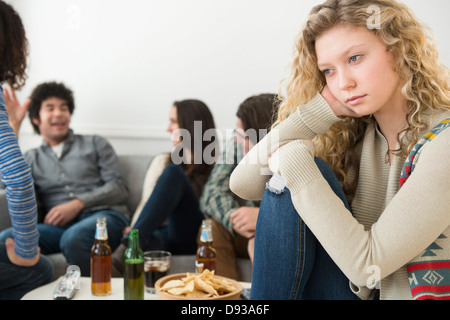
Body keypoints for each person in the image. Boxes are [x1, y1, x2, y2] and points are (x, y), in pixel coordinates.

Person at [230, 0, 450, 300]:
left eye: (355, 58)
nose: (344, 82)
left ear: (399, 50)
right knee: (291, 186)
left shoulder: (444, 143)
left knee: (304, 168)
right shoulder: (359, 135)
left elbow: (369, 266)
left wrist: (294, 160)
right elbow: (243, 183)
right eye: (329, 71)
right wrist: (320, 109)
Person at [0, 81, 130, 276]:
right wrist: (14, 126)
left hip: (103, 217)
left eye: (64, 108)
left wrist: (77, 204)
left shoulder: (95, 143)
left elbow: (119, 188)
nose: (59, 113)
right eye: (50, 108)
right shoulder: (31, 157)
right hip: (57, 229)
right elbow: (7, 186)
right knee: (7, 239)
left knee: (74, 238)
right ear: (36, 118)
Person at [112, 99, 217, 274]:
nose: (168, 128)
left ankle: (128, 247)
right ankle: (131, 246)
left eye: (174, 122)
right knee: (144, 238)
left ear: (190, 126)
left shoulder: (217, 167)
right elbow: (147, 202)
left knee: (173, 173)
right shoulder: (162, 160)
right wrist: (135, 229)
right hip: (158, 235)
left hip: (188, 234)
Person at [0, 0, 54, 299]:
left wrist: (11, 126)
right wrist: (25, 250)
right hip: (49, 230)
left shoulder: (94, 145)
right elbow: (17, 178)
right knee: (40, 269)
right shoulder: (36, 155)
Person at [199, 93, 277, 280]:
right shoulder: (237, 145)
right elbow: (212, 192)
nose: (236, 139)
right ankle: (224, 295)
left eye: (242, 135)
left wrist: (263, 219)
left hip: (280, 231)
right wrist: (238, 221)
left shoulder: (292, 151)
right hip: (244, 232)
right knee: (211, 227)